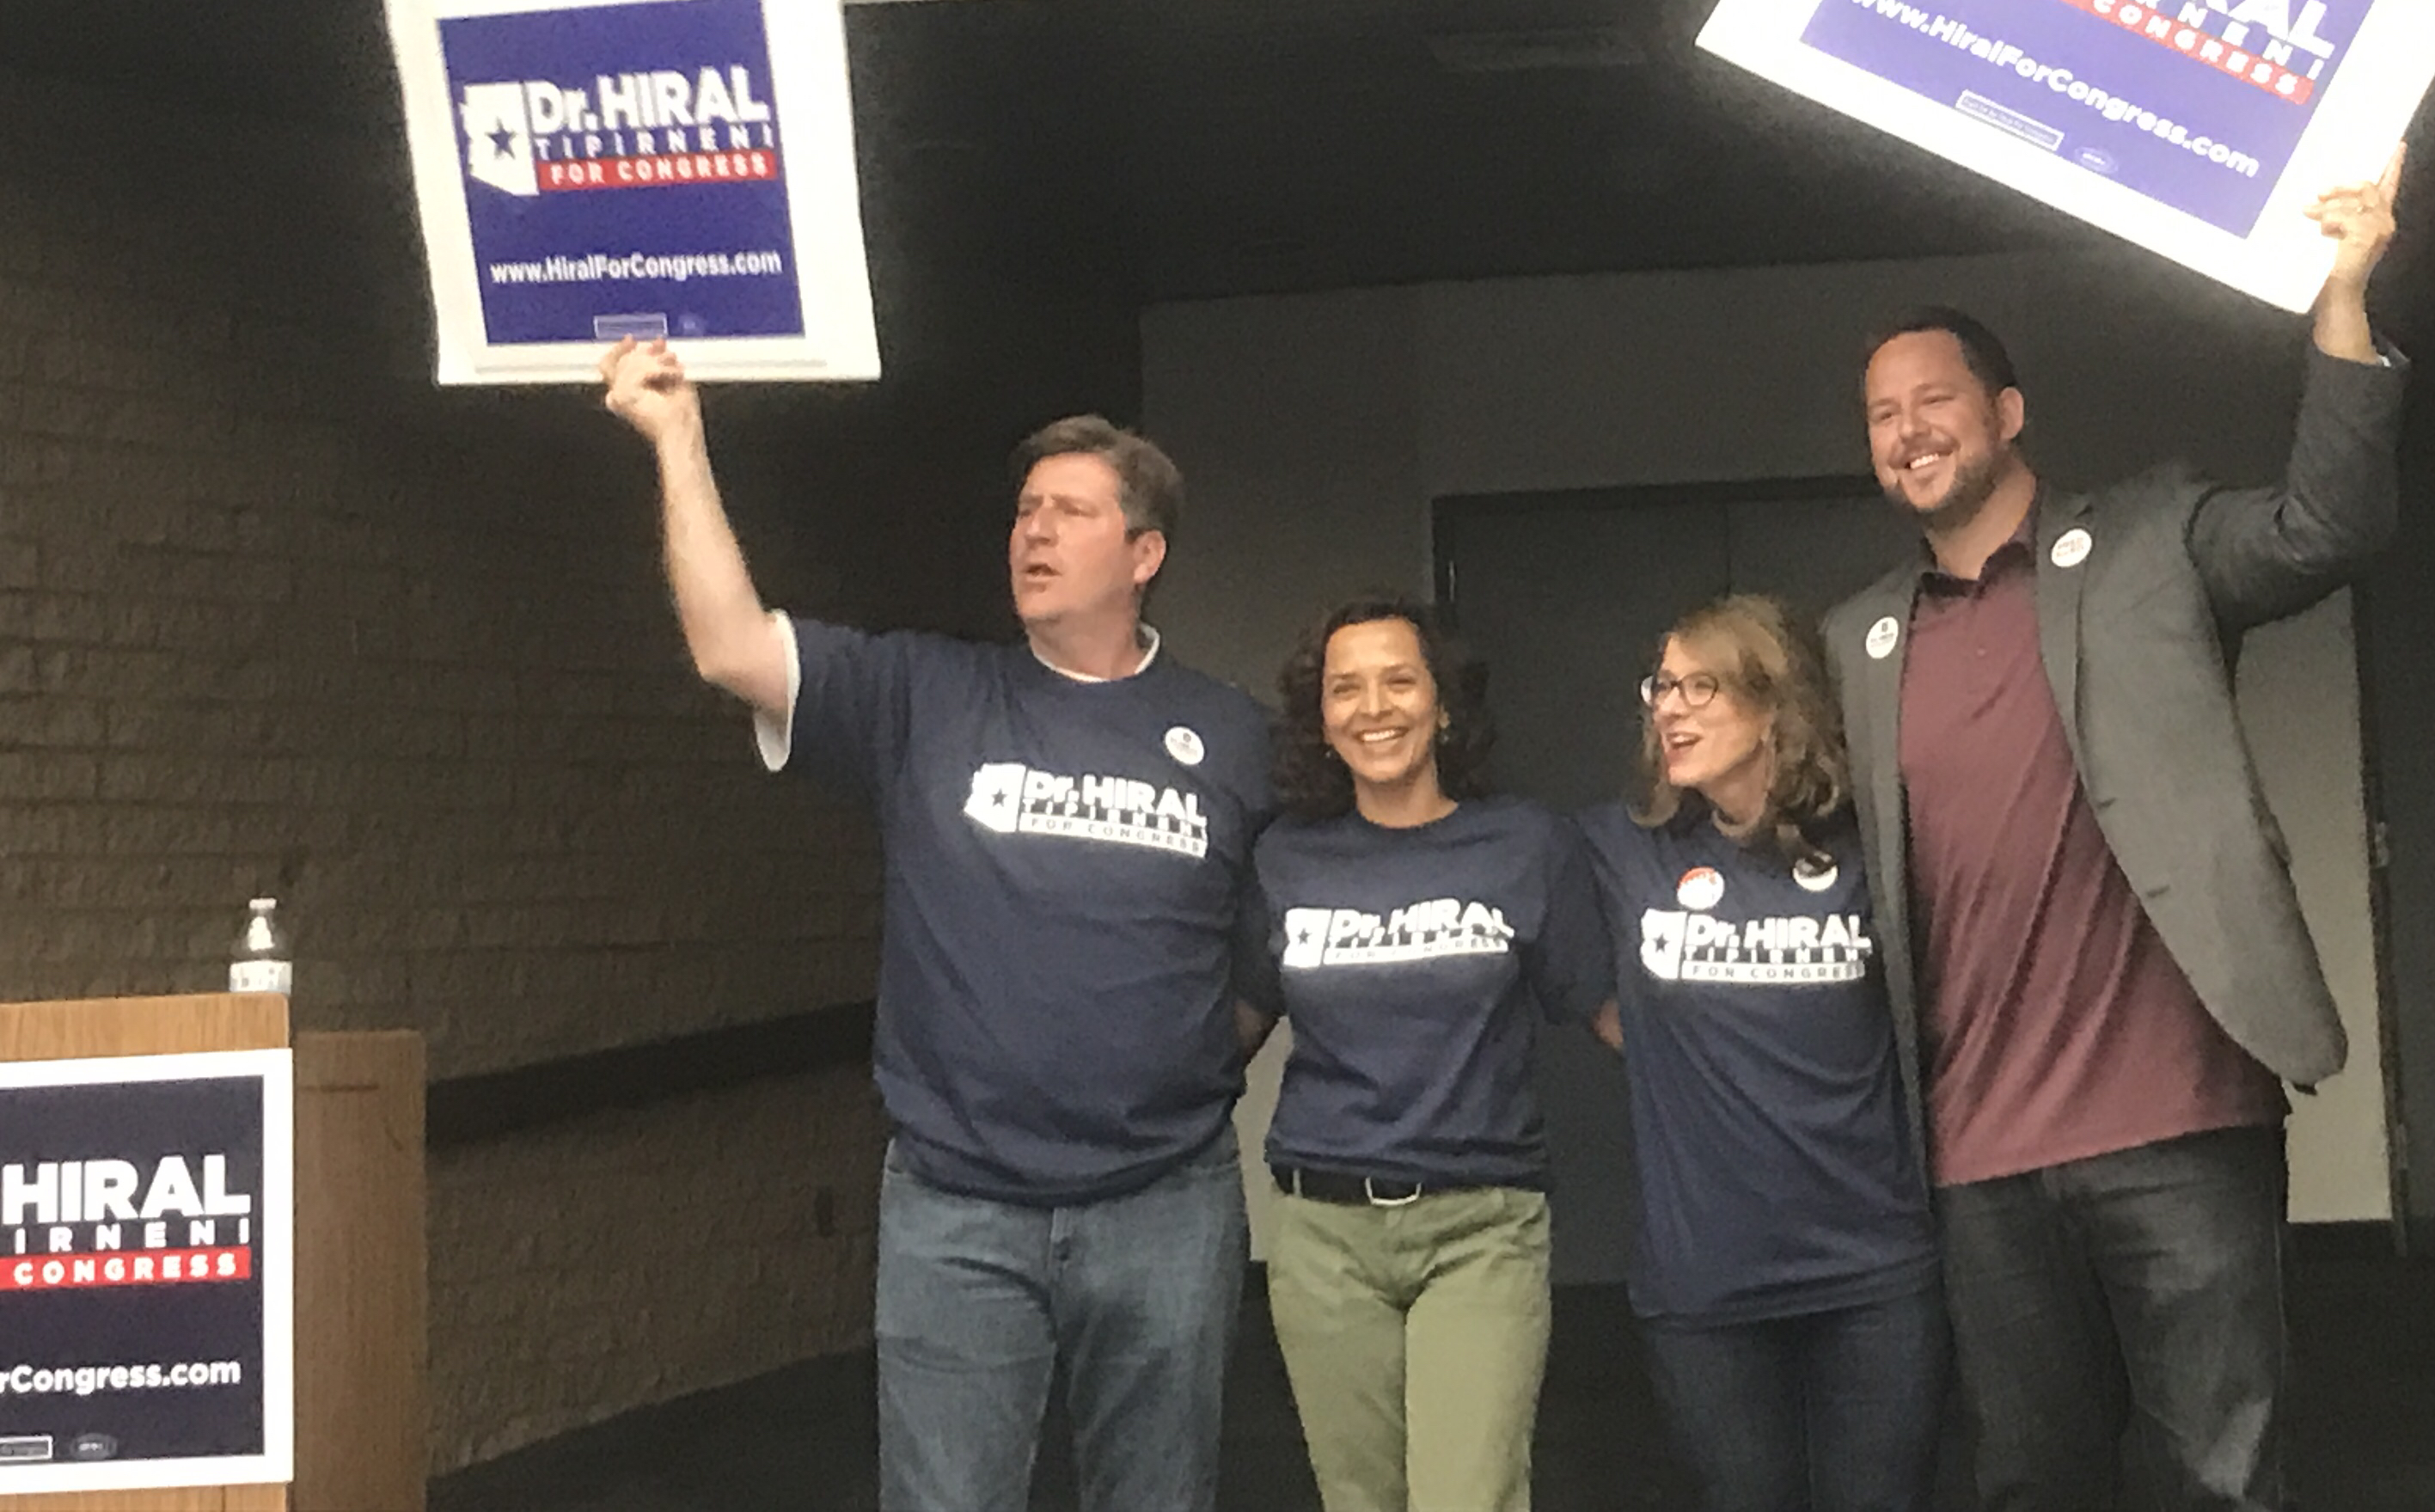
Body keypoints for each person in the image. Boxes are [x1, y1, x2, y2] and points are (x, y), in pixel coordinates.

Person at [1821, 158, 2409, 1512]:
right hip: (1978, 1151)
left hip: (2178, 1119)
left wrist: (2344, 293)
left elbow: (2331, 524)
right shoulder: (1860, 638)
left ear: (2009, 412)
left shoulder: (2149, 544)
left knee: (2223, 1470)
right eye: (1881, 416)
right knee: (2033, 1481)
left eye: (1936, 402)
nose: (1909, 431)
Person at [597, 339, 1270, 1512]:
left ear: (1144, 553)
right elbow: (730, 646)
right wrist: (678, 440)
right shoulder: (928, 696)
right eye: (1024, 512)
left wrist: (1183, 1061)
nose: (1034, 533)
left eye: (1070, 511)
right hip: (958, 1208)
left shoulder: (1233, 736)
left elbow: (1270, 948)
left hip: (1166, 1204)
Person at [1577, 594, 1945, 1512]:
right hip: (1707, 1282)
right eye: (1662, 685)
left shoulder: (1873, 846)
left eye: (1701, 686)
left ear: (1777, 703)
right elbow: (1573, 977)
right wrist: (1682, 1048)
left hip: (1873, 1270)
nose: (1670, 707)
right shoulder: (1622, 850)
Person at [1244, 597, 1608, 1512]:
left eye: (1399, 680)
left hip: (1481, 1228)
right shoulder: (1284, 857)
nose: (1374, 707)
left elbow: (1609, 1012)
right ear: (1321, 719)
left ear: (1444, 706)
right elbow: (1233, 1028)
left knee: (1467, 1499)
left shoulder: (1526, 844)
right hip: (1323, 1235)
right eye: (1345, 689)